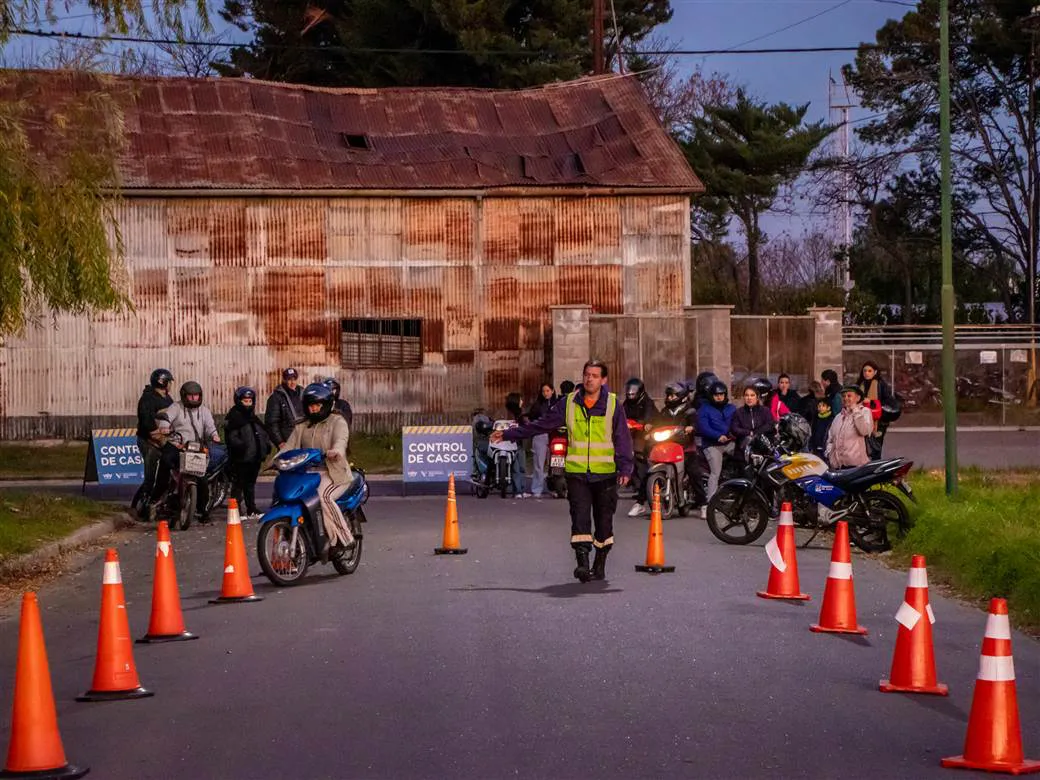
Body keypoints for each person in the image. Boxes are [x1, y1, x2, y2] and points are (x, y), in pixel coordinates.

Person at [493, 359, 633, 583]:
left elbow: (622, 438)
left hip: (605, 475)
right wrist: (509, 434)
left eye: (594, 376)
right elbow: (541, 425)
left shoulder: (613, 405)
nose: (589, 379)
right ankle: (582, 564)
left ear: (603, 380)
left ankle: (599, 564)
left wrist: (625, 467)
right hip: (577, 474)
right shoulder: (568, 403)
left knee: (604, 522)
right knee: (579, 518)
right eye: (587, 374)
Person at [283, 383, 355, 559]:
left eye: (317, 405)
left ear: (326, 405)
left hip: (333, 473)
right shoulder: (302, 426)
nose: (313, 409)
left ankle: (345, 538)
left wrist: (336, 451)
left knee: (323, 497)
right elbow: (288, 447)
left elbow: (341, 439)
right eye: (310, 406)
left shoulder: (337, 421)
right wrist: (277, 460)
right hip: (307, 475)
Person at [149, 381, 220, 523]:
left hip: (196, 447)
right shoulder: (176, 407)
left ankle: (203, 511)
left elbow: (210, 426)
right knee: (165, 463)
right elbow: (166, 418)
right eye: (190, 396)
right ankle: (156, 498)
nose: (194, 398)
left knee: (202, 479)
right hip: (177, 445)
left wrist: (214, 435)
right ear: (184, 396)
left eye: (196, 396)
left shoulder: (204, 411)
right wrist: (164, 427)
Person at [224, 387, 272, 520]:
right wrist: (241, 448)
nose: (248, 404)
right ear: (239, 401)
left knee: (250, 484)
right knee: (238, 484)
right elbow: (232, 437)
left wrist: (266, 446)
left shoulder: (253, 417)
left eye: (250, 401)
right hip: (241, 458)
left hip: (254, 457)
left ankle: (251, 508)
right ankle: (235, 510)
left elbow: (261, 432)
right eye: (245, 401)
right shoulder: (234, 417)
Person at [134, 368, 174, 519]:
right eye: (169, 382)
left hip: (164, 441)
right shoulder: (148, 398)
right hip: (149, 442)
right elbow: (146, 420)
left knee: (167, 471)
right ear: (163, 382)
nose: (170, 385)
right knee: (151, 475)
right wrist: (156, 434)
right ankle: (144, 505)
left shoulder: (167, 398)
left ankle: (162, 502)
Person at [697, 381, 737, 514]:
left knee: (744, 459)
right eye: (716, 395)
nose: (719, 397)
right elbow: (703, 427)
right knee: (715, 472)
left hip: (730, 442)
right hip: (712, 444)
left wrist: (733, 434)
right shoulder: (704, 409)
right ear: (711, 396)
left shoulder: (731, 408)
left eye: (722, 394)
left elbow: (737, 423)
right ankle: (710, 504)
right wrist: (717, 436)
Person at [623, 377, 658, 517]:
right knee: (638, 465)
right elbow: (622, 415)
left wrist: (647, 424)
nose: (631, 396)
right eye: (629, 394)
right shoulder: (627, 404)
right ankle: (640, 496)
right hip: (634, 436)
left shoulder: (648, 403)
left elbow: (650, 418)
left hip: (650, 436)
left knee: (644, 466)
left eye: (633, 394)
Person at [826, 385, 874, 468]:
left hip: (857, 466)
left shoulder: (864, 412)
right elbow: (830, 438)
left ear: (858, 398)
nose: (845, 398)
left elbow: (864, 431)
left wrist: (855, 410)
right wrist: (829, 453)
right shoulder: (838, 417)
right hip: (838, 467)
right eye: (843, 396)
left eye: (849, 396)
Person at [857, 361, 895, 460]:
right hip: (862, 419)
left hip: (878, 421)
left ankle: (875, 464)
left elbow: (888, 402)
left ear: (875, 372)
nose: (867, 373)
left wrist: (871, 401)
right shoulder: (860, 384)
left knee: (875, 447)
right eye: (865, 371)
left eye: (869, 371)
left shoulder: (880, 384)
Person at [729, 383, 776, 459]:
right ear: (744, 397)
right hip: (743, 449)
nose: (749, 398)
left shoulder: (765, 411)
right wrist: (748, 433)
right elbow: (734, 429)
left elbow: (770, 425)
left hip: (763, 448)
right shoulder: (738, 412)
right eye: (746, 395)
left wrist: (755, 433)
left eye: (752, 395)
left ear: (757, 397)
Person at [528, 383, 559, 498]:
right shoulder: (537, 405)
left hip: (555, 435)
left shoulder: (557, 404)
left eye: (548, 391)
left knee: (555, 463)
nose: (545, 393)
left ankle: (555, 487)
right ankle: (537, 489)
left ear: (553, 391)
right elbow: (531, 418)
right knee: (539, 464)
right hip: (540, 435)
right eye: (543, 391)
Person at [266, 368, 304, 450]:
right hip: (287, 440)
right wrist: (279, 442)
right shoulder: (276, 398)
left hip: (303, 438)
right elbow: (272, 422)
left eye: (294, 379)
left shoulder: (302, 393)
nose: (292, 382)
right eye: (289, 379)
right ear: (284, 380)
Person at [505, 392, 532, 498]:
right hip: (511, 444)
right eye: (520, 399)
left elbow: (527, 425)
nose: (522, 401)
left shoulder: (521, 413)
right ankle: (517, 491)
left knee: (521, 467)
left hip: (520, 443)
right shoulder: (509, 414)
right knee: (516, 468)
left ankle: (521, 489)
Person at [808, 396, 835, 461]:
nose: (820, 408)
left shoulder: (832, 420)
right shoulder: (815, 419)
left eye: (823, 406)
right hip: (815, 448)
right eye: (819, 406)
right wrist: (811, 446)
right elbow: (812, 433)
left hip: (825, 449)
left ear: (828, 408)